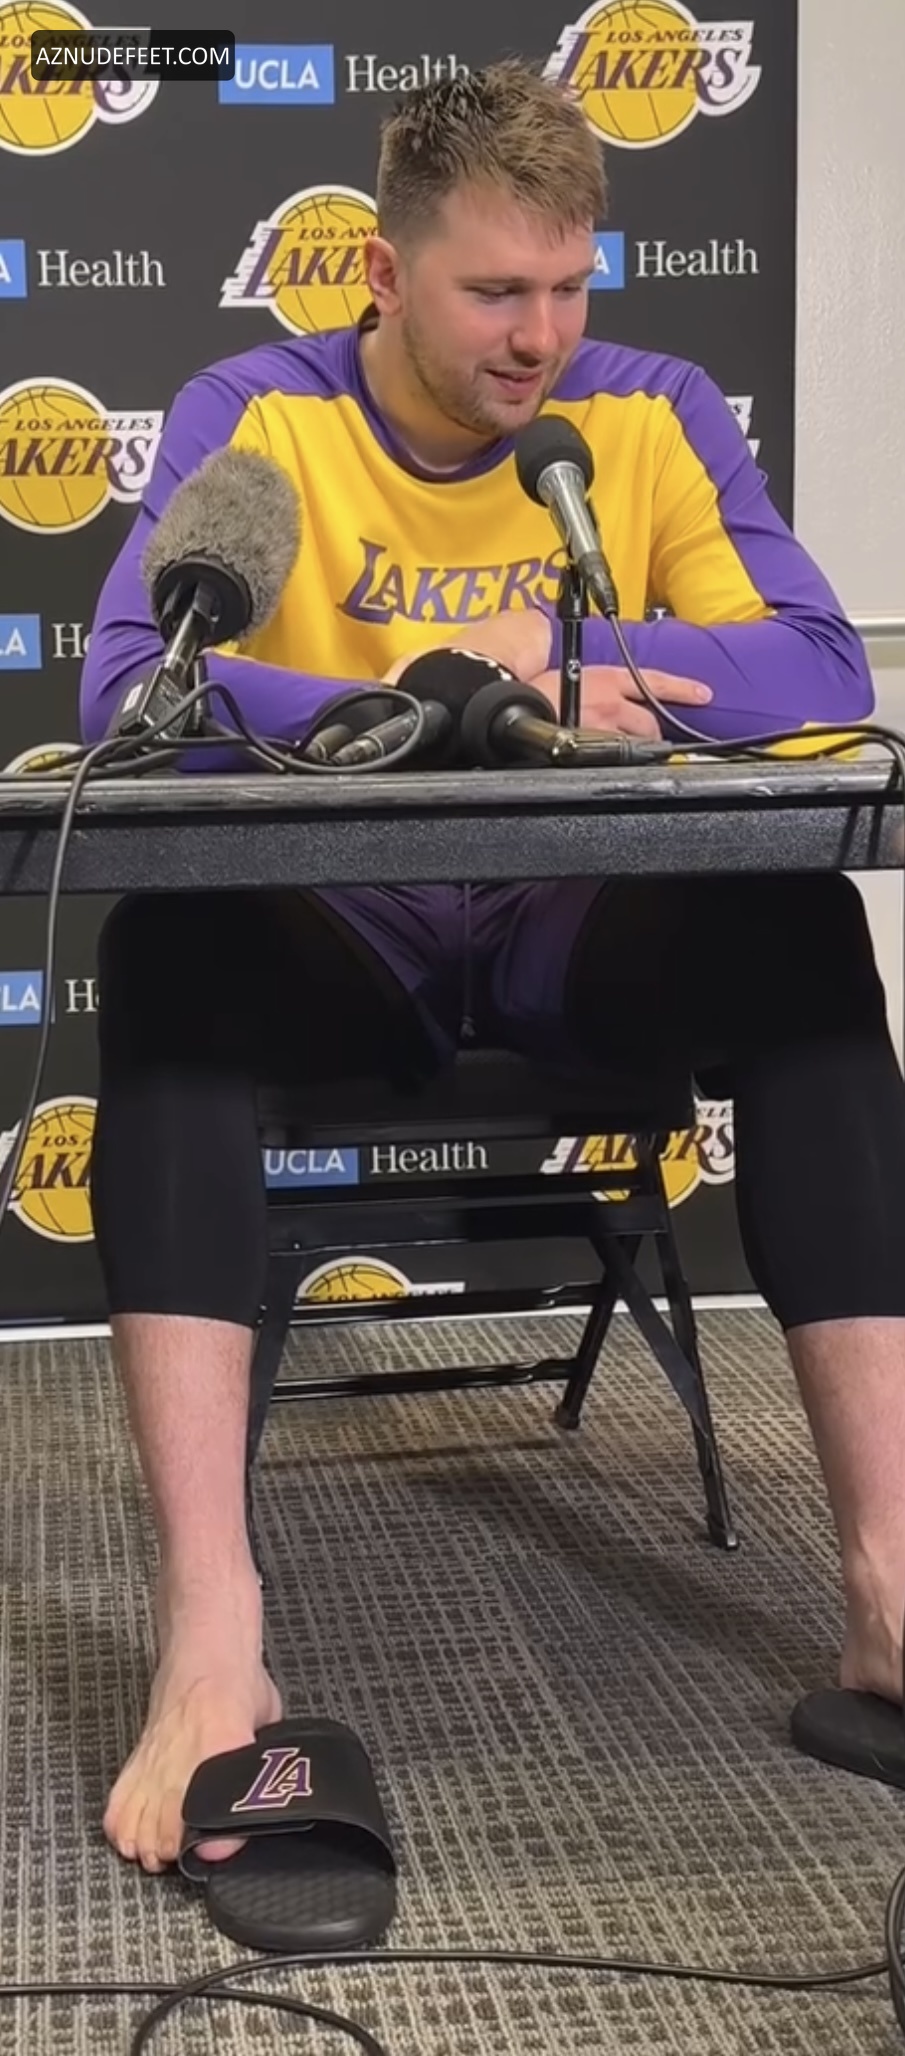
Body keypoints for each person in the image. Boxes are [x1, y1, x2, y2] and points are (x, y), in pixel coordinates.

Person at [79, 60, 905, 1875]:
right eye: (494, 293)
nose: (541, 337)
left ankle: (887, 1592)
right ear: (385, 274)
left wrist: (599, 657)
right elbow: (135, 680)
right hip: (344, 937)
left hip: (569, 934)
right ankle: (213, 1635)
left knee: (799, 926)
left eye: (568, 286)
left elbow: (818, 668)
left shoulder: (649, 413)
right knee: (170, 955)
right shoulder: (257, 411)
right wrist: (414, 703)